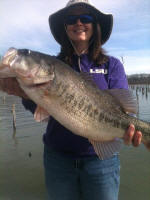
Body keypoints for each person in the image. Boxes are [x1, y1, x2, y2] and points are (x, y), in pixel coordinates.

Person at [0, 0, 142, 200]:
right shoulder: (53, 64)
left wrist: (132, 130)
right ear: (64, 27)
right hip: (58, 160)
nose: (78, 23)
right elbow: (40, 112)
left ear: (95, 25)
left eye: (85, 18)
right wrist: (24, 93)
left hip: (101, 163)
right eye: (71, 19)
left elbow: (128, 112)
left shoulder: (112, 65)